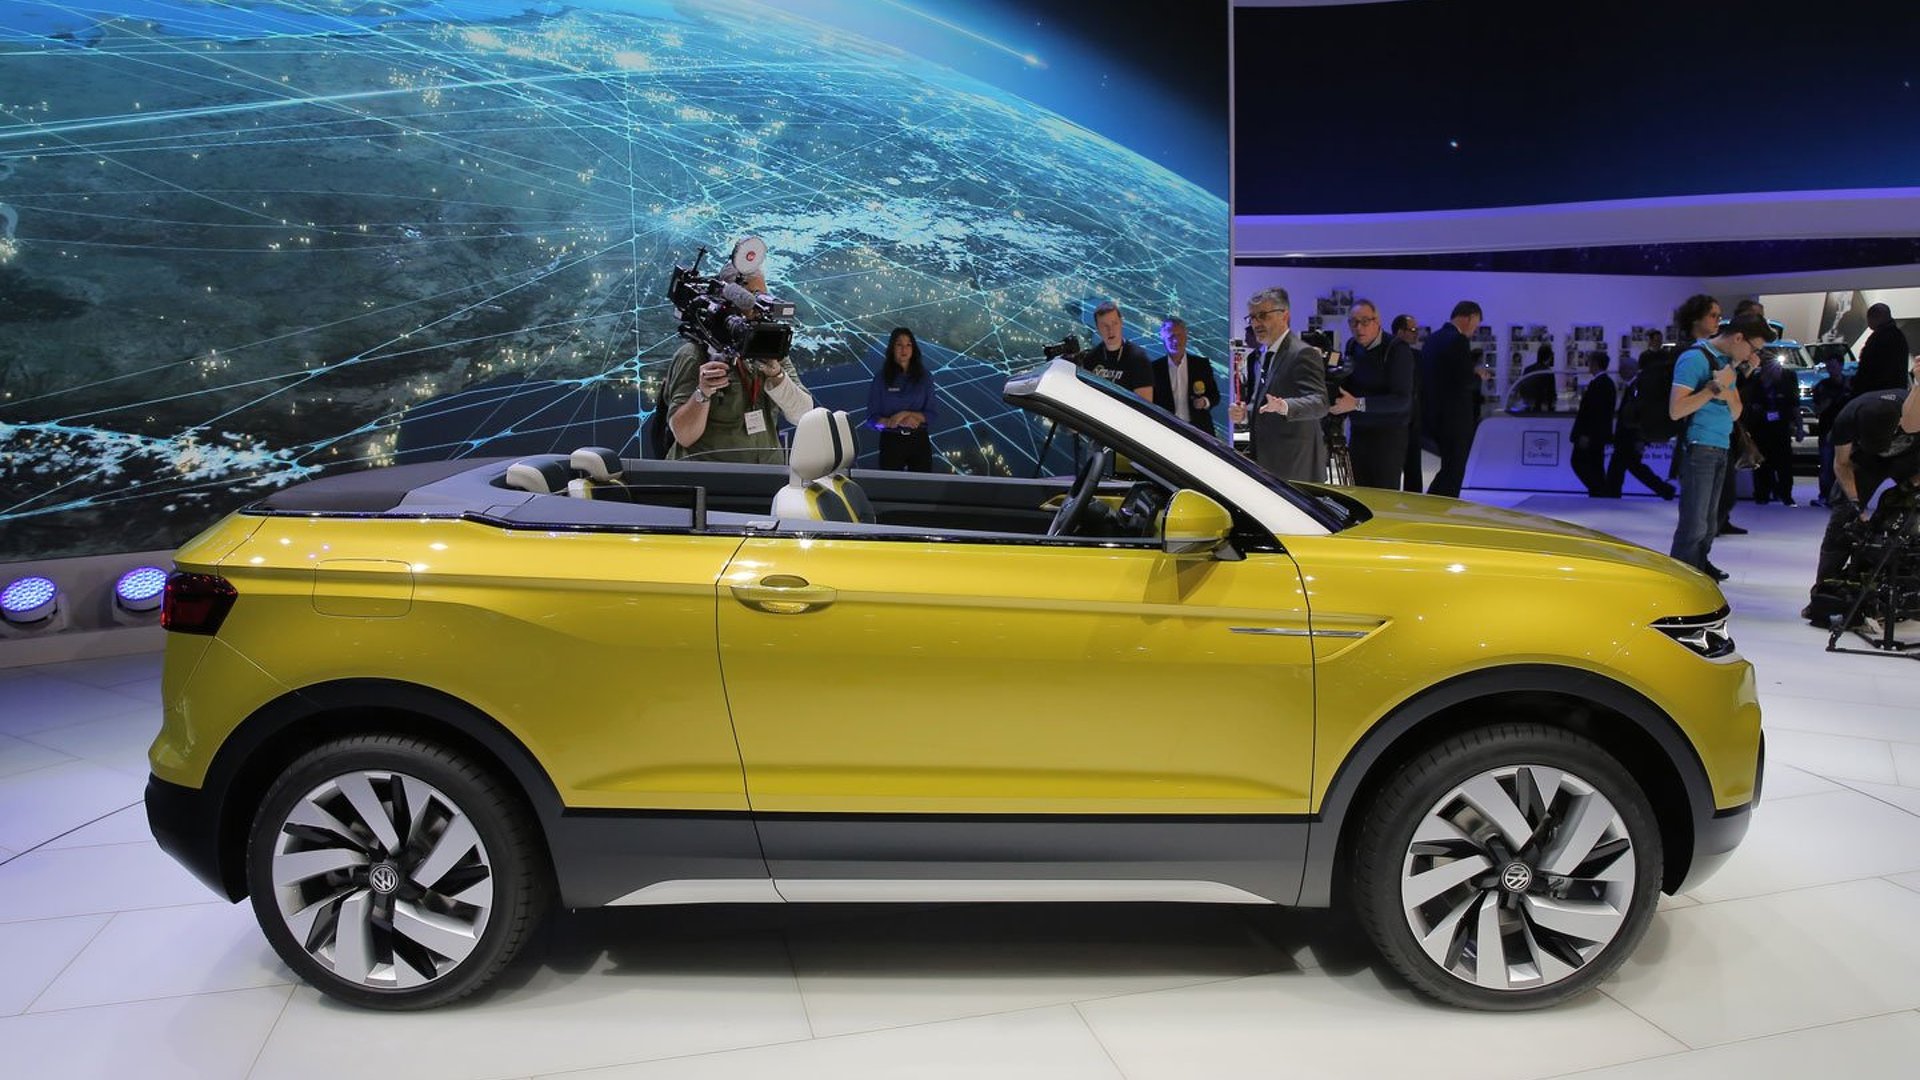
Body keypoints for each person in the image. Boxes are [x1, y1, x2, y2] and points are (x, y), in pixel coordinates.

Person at [1803, 355, 1920, 618]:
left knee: (1905, 525)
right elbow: (1842, 464)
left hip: (1909, 462)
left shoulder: (1914, 411)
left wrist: (1908, 489)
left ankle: (1896, 594)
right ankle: (1824, 594)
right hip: (1863, 465)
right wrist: (1857, 504)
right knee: (1842, 524)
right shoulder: (1849, 416)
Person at [663, 262, 813, 465]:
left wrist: (777, 376)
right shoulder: (694, 355)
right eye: (751, 296)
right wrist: (703, 393)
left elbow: (803, 415)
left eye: (762, 295)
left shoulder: (769, 348)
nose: (759, 306)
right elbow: (684, 436)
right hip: (713, 477)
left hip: (767, 475)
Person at [1667, 310, 1774, 580]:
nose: (1753, 356)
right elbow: (1676, 410)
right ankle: (1681, 578)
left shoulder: (1727, 364)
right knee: (1694, 524)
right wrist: (1714, 388)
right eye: (1753, 348)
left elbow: (1736, 412)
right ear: (1738, 338)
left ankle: (1699, 569)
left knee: (1710, 522)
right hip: (1698, 446)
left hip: (1721, 446)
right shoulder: (1694, 359)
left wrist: (1726, 391)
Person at [1229, 287, 1327, 482]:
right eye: (1252, 317)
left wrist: (1285, 406)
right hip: (1267, 463)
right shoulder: (1264, 355)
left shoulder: (1302, 353)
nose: (1256, 323)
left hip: (1294, 465)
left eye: (1263, 315)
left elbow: (1320, 403)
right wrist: (1246, 413)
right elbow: (1265, 404)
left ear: (1284, 316)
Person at [1329, 299, 1414, 488]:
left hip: (1388, 437)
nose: (1359, 327)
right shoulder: (1353, 345)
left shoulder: (1397, 349)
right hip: (1359, 433)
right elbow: (1348, 386)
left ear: (1377, 321)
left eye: (1365, 321)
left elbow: (1401, 400)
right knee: (1359, 491)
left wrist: (1356, 404)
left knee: (1383, 494)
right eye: (1353, 322)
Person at [1421, 300, 1488, 498]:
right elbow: (1464, 381)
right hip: (1455, 419)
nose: (1475, 330)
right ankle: (1442, 507)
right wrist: (1478, 377)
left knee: (1448, 467)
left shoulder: (1433, 339)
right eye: (1476, 323)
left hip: (1432, 414)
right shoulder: (1458, 340)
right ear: (1469, 317)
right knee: (1454, 469)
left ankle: (1433, 504)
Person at [1604, 352, 1677, 499]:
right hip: (1628, 436)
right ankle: (1664, 489)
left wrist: (1639, 438)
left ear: (1632, 369)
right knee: (1631, 467)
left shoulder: (1638, 387)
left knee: (1625, 467)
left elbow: (1639, 413)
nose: (1620, 372)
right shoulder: (1635, 386)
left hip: (1630, 436)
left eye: (1623, 368)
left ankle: (1612, 493)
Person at [866, 326, 939, 472]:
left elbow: (932, 414)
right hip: (891, 441)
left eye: (908, 345)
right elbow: (871, 419)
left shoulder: (925, 377)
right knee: (891, 485)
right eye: (899, 345)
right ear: (892, 348)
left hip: (919, 441)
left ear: (913, 349)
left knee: (922, 484)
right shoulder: (881, 378)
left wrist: (907, 414)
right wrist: (891, 422)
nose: (904, 349)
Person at [1744, 343, 1799, 505]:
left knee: (1784, 464)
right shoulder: (1756, 380)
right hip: (1761, 428)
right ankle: (1762, 493)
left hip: (1781, 427)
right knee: (1762, 463)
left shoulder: (1788, 378)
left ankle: (1786, 494)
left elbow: (1794, 403)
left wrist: (1799, 426)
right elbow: (1751, 403)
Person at [1150, 316, 1219, 436]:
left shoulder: (1201, 365)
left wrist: (1204, 402)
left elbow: (1215, 395)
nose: (1176, 340)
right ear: (1163, 339)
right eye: (1171, 336)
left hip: (1199, 431)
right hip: (1166, 431)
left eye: (1179, 335)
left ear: (1186, 337)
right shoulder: (1154, 368)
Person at [1079, 301, 1154, 401]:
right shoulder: (1091, 358)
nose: (1110, 330)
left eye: (1114, 323)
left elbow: (1144, 403)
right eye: (1105, 326)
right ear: (1097, 328)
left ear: (1121, 323)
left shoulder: (1138, 358)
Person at [1570, 351, 1615, 497]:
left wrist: (1586, 434)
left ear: (1595, 363)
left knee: (1580, 462)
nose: (1588, 365)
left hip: (1591, 435)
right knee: (1595, 465)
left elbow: (1595, 413)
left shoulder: (1600, 384)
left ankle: (1599, 490)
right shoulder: (1604, 383)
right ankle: (1600, 491)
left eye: (1590, 362)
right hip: (1596, 434)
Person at [1810, 352, 1851, 507]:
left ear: (1841, 366)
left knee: (1846, 464)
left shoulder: (1850, 385)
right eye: (1828, 367)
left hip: (1846, 430)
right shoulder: (1822, 386)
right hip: (1827, 430)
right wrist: (1825, 404)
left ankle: (1845, 496)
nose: (1831, 370)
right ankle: (1825, 496)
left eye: (1833, 366)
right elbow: (1816, 409)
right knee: (1826, 465)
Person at [1391, 314, 1425, 492]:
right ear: (1400, 331)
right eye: (1412, 330)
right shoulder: (1390, 354)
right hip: (1394, 420)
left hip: (1412, 417)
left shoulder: (1417, 356)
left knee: (1413, 466)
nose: (1416, 333)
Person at [1852, 303, 1911, 397]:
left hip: (1876, 394)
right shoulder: (1899, 336)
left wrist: (1856, 390)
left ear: (1875, 318)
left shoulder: (1877, 338)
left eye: (1869, 318)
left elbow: (1866, 369)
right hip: (1896, 393)